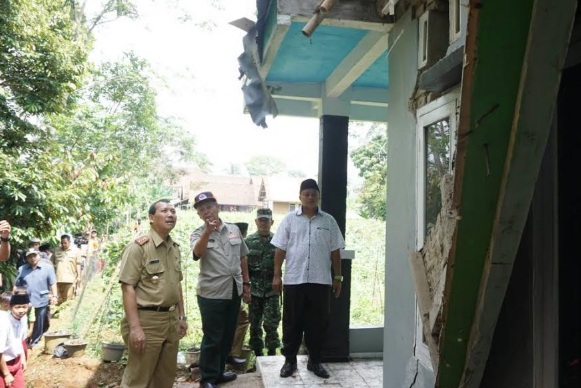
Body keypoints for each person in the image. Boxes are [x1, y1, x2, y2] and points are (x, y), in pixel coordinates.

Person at [271, 179, 344, 379]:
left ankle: (315, 361)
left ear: (318, 196)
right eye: (307, 194)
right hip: (294, 280)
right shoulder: (289, 220)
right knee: (292, 323)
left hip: (320, 282)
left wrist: (338, 277)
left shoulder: (328, 221)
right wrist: (277, 275)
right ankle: (290, 361)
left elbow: (335, 251)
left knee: (318, 323)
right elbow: (280, 249)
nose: (310, 197)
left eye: (314, 193)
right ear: (300, 196)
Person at [119, 199, 188, 388]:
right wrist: (135, 328)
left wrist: (181, 316)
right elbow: (127, 287)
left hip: (171, 320)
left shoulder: (174, 249)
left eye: (173, 211)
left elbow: (177, 285)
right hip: (147, 322)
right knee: (138, 379)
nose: (170, 214)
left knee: (165, 378)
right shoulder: (138, 248)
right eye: (164, 211)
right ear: (151, 217)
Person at [190, 192, 251, 388]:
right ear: (199, 215)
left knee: (227, 335)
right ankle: (207, 378)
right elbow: (197, 253)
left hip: (234, 289)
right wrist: (208, 232)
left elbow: (243, 257)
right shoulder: (198, 234)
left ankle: (219, 371)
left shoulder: (233, 230)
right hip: (211, 293)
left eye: (209, 207)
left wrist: (247, 285)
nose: (206, 211)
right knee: (212, 337)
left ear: (217, 207)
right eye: (201, 210)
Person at [246, 208, 281, 359]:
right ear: (256, 222)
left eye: (266, 220)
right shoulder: (247, 242)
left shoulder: (278, 242)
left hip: (272, 290)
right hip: (254, 291)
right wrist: (245, 287)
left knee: (271, 324)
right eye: (261, 220)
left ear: (272, 222)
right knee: (254, 325)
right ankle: (258, 356)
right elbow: (243, 267)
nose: (264, 223)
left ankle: (272, 355)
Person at [13, 248, 57, 348]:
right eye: (30, 257)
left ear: (38, 255)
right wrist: (13, 298)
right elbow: (16, 285)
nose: (32, 258)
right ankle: (23, 340)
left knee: (39, 321)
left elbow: (53, 282)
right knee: (24, 320)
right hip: (25, 300)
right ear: (26, 258)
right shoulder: (22, 269)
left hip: (41, 298)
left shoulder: (47, 268)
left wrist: (54, 296)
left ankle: (35, 341)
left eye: (34, 256)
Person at [227, 222, 250, 367]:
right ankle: (222, 357)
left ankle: (231, 354)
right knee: (220, 325)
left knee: (242, 319)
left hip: (237, 289)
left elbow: (243, 263)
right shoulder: (226, 245)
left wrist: (246, 285)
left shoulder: (242, 247)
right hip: (221, 290)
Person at [0, 293, 30, 388]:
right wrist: (6, 374)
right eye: (17, 307)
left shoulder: (24, 319)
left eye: (24, 307)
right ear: (10, 307)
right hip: (3, 363)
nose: (21, 310)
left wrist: (23, 359)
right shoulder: (4, 323)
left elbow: (20, 341)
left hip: (16, 362)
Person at [51, 235, 82, 304]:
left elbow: (78, 264)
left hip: (70, 280)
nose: (63, 245)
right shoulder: (56, 250)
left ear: (69, 242)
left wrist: (79, 277)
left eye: (65, 243)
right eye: (61, 243)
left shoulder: (76, 251)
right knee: (58, 301)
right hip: (58, 280)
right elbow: (51, 263)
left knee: (68, 301)